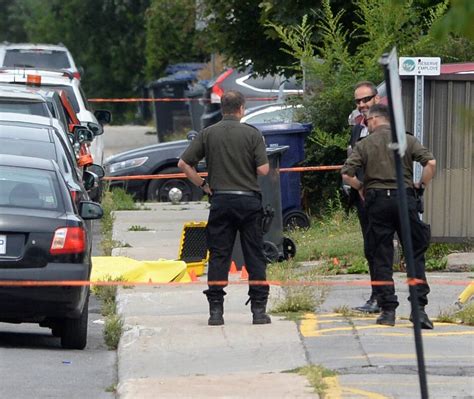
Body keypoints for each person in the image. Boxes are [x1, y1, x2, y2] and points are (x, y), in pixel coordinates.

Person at [178, 90, 271, 326]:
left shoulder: (208, 134)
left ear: (222, 108)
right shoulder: (252, 134)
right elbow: (264, 170)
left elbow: (183, 163)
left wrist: (203, 185)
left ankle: (216, 312)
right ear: (241, 108)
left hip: (221, 200)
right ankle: (259, 311)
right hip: (249, 201)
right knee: (254, 255)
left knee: (219, 256)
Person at [341, 104, 436, 329]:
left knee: (381, 255)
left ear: (374, 120)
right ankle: (419, 310)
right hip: (405, 199)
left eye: (367, 121)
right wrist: (420, 185)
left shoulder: (365, 144)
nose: (366, 124)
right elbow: (430, 163)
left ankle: (387, 311)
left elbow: (346, 174)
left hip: (378, 202)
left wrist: (361, 187)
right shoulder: (407, 140)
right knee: (413, 254)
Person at [346, 81, 381, 313]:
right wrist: (355, 186)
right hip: (363, 198)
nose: (362, 105)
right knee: (370, 247)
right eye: (358, 101)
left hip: (384, 196)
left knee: (382, 247)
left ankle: (388, 298)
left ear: (377, 99)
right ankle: (375, 295)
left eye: (366, 99)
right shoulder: (357, 130)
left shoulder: (388, 128)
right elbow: (351, 162)